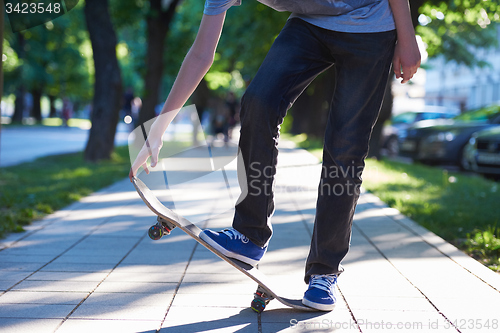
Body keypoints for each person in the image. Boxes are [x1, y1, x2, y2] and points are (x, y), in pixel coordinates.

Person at [129, 0, 421, 311]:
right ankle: (249, 234)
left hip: (371, 25)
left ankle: (325, 270)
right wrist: (158, 130)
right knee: (259, 101)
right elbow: (201, 54)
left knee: (346, 147)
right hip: (309, 26)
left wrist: (407, 36)